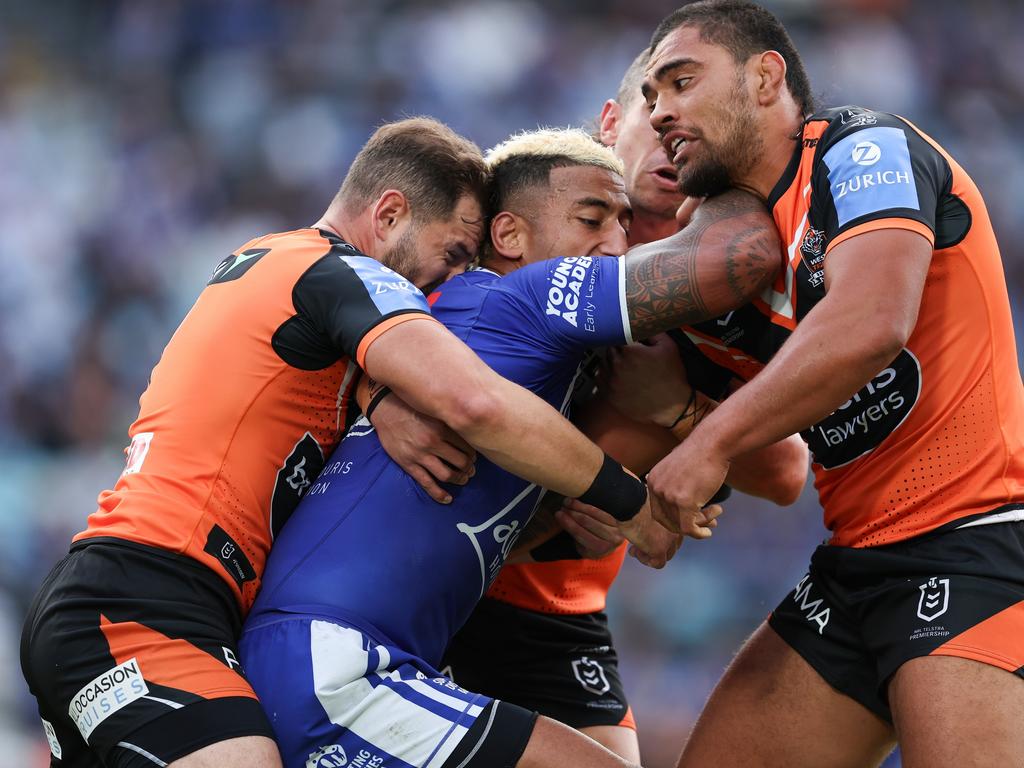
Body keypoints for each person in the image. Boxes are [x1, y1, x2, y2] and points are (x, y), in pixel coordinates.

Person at [18, 118, 660, 768]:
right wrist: (628, 500)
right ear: (388, 215)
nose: (454, 277)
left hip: (162, 601)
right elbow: (475, 400)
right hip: (143, 600)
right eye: (457, 252)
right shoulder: (339, 270)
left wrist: (376, 397)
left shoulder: (284, 272)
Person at [633, 2, 1024, 765]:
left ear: (766, 76)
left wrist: (704, 442)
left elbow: (872, 323)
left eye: (682, 81)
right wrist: (637, 480)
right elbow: (777, 471)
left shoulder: (860, 145)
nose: (663, 113)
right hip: (853, 566)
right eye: (651, 98)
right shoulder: (717, 271)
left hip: (975, 544)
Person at [238, 128, 670, 768]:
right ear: (510, 236)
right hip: (335, 661)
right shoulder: (508, 302)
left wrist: (573, 520)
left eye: (624, 224)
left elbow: (449, 517)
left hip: (359, 657)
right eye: (592, 220)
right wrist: (633, 502)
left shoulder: (478, 336)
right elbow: (723, 264)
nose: (617, 243)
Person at [440, 51, 807, 763]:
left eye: (693, 125)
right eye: (658, 111)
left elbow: (787, 472)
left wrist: (677, 412)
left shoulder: (704, 290)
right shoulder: (515, 215)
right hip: (446, 575)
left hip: (559, 606)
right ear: (611, 123)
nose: (675, 137)